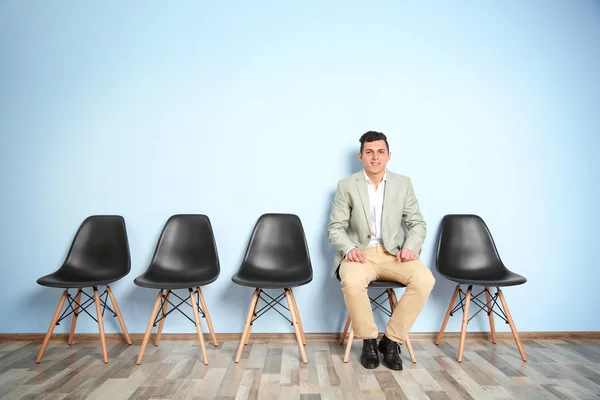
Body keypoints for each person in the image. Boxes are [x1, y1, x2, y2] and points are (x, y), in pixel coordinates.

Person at [328, 131, 435, 370]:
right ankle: (368, 341)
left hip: (394, 255)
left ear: (388, 156)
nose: (375, 157)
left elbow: (416, 223)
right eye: (369, 152)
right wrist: (349, 248)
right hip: (360, 256)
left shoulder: (403, 183)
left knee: (425, 279)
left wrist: (411, 247)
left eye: (380, 152)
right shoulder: (346, 186)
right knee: (352, 282)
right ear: (361, 156)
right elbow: (335, 227)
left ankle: (391, 341)